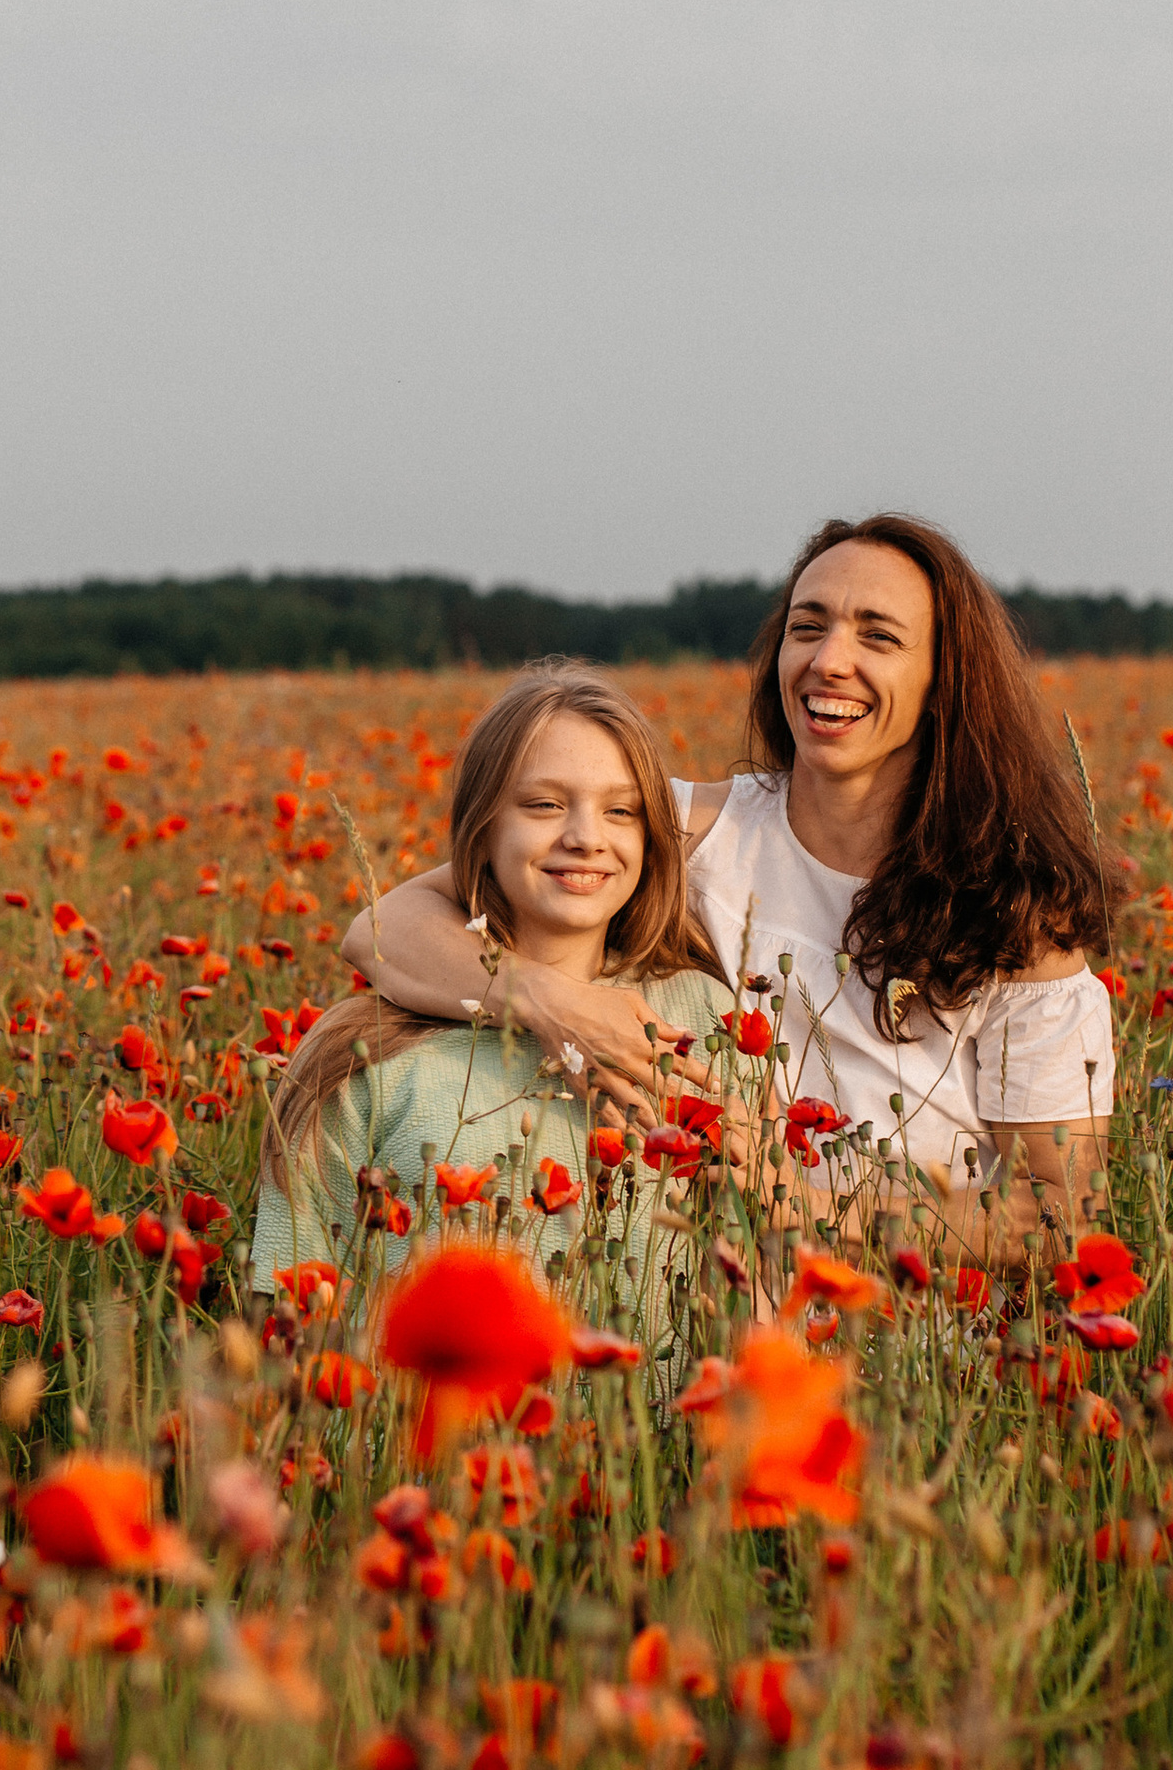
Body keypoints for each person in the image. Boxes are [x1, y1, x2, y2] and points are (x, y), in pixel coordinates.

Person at [340, 515, 1114, 1255]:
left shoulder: (1016, 914)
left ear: (946, 680)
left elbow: (1060, 1221)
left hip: (926, 1361)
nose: (828, 660)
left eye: (877, 636)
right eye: (807, 628)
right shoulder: (689, 832)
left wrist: (806, 1210)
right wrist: (554, 1004)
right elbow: (386, 923)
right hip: (698, 1313)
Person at [248, 662, 728, 1301]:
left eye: (622, 810)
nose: (586, 838)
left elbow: (760, 1261)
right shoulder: (365, 1051)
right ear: (483, 828)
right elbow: (287, 1318)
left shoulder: (704, 1015)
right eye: (545, 805)